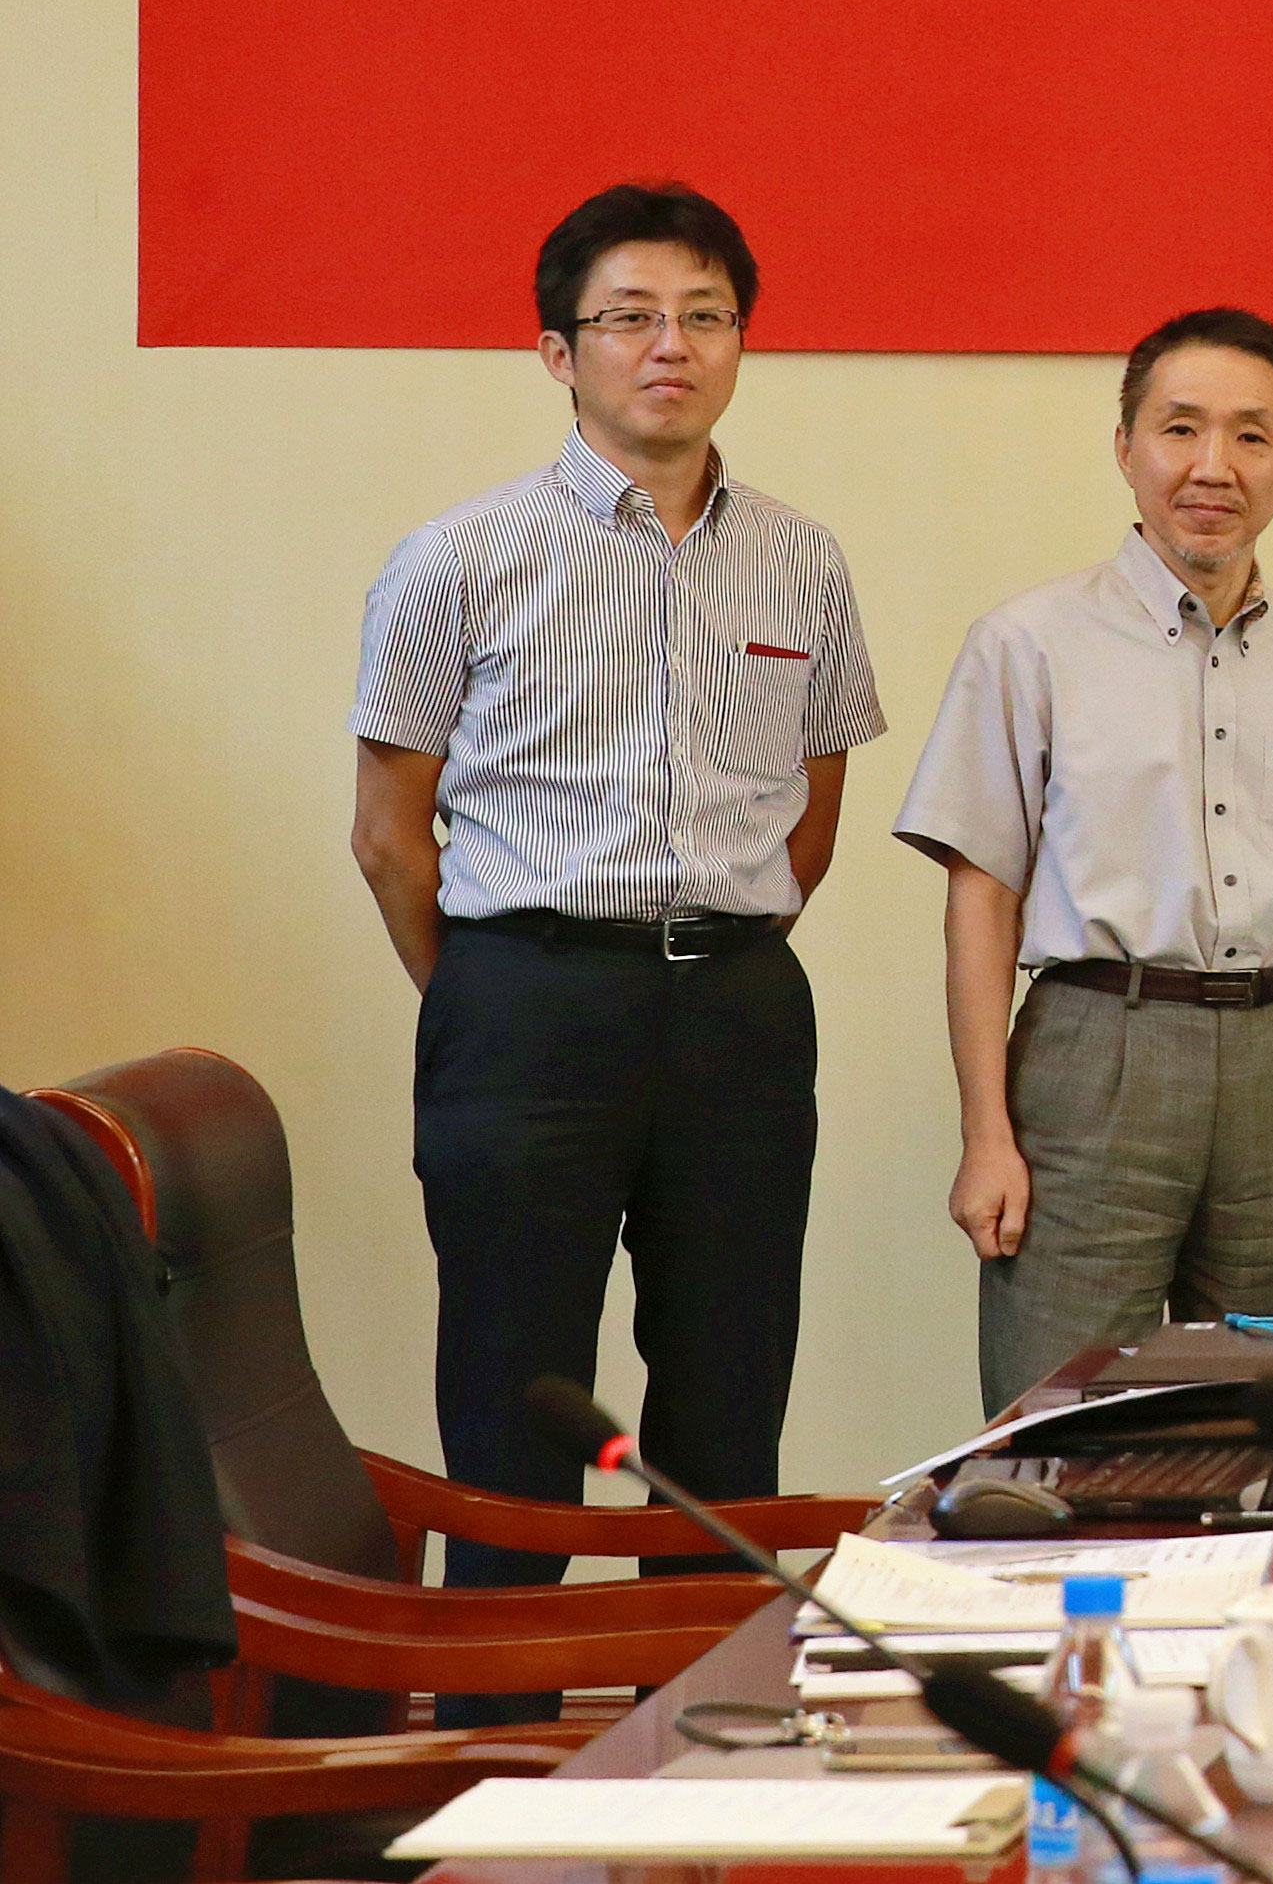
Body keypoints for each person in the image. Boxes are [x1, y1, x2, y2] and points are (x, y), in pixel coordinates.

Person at [347, 183, 881, 1617]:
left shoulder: (804, 559)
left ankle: (700, 1725)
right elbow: (390, 836)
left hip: (737, 1011)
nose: (671, 346)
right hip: (525, 1008)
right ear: (556, 350)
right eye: (630, 316)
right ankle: (494, 1736)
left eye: (706, 315)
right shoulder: (459, 557)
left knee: (729, 1404)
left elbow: (812, 815)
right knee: (516, 1409)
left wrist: (702, 949)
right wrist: (497, 985)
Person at [894, 309, 1273, 1412]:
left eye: (1252, 435)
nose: (1212, 465)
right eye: (1180, 428)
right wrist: (986, 1133)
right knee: (1058, 1419)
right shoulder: (1028, 643)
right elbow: (982, 900)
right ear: (1126, 446)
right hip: (1099, 1050)